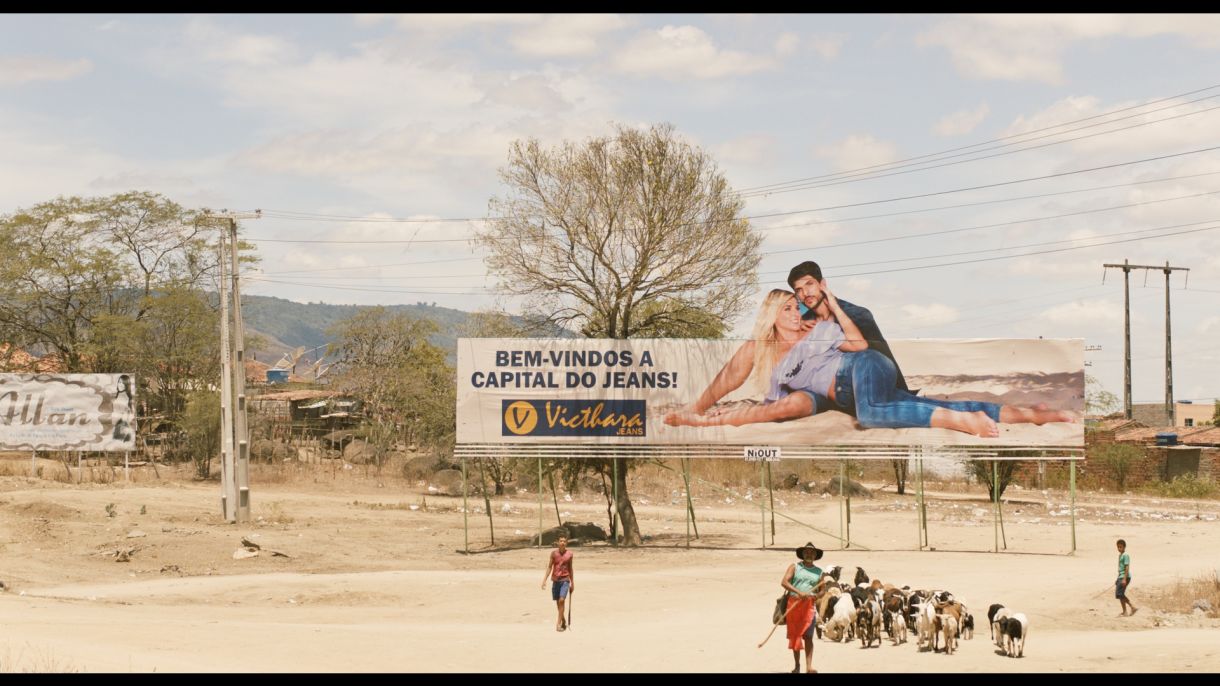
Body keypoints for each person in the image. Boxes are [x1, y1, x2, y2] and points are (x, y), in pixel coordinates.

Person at [664, 288, 1076, 436]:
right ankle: (1031, 414)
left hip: (864, 370)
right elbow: (729, 381)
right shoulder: (762, 350)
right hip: (842, 393)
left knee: (875, 415)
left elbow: (859, 338)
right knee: (924, 405)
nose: (794, 313)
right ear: (770, 314)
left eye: (796, 306)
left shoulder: (816, 328)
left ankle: (958, 423)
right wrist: (697, 412)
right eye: (786, 308)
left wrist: (825, 303)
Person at [788, 261, 912, 396]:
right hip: (825, 393)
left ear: (822, 284)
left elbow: (881, 359)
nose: (805, 293)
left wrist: (901, 392)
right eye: (798, 290)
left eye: (809, 284)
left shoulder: (856, 314)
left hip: (864, 391)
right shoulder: (804, 321)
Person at [781, 542, 824, 673]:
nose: (809, 554)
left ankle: (809, 667)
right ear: (802, 554)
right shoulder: (795, 567)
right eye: (806, 552)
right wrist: (799, 592)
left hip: (809, 606)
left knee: (809, 637)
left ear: (815, 555)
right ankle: (797, 665)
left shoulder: (819, 572)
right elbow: (784, 582)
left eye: (812, 552)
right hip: (793, 604)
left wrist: (816, 596)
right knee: (795, 636)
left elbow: (822, 590)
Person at [541, 534, 574, 631]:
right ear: (558, 543)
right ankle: (563, 620)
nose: (562, 543)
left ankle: (558, 624)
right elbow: (549, 567)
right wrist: (544, 580)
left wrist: (572, 583)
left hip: (565, 580)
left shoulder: (570, 554)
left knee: (562, 600)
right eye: (561, 541)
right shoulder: (554, 554)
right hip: (555, 580)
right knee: (558, 603)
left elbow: (570, 569)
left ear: (566, 543)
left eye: (564, 541)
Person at [1116, 539, 1138, 617]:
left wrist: (1124, 579)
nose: (1119, 549)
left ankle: (1132, 607)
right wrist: (1118, 578)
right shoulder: (1120, 555)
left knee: (1120, 594)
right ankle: (1125, 611)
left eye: (1121, 547)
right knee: (1119, 595)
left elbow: (1127, 567)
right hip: (1120, 577)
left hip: (1125, 577)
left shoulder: (1126, 555)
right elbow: (1120, 568)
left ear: (1124, 547)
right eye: (1118, 547)